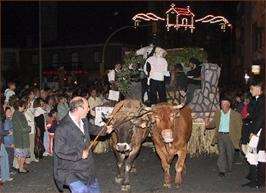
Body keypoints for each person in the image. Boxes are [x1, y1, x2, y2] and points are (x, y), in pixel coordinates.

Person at [54, 96, 114, 193]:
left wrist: (105, 130)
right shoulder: (62, 128)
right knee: (82, 190)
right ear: (79, 109)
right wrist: (80, 154)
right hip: (71, 170)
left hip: (87, 169)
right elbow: (59, 150)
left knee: (95, 190)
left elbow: (92, 129)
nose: (89, 109)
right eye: (87, 107)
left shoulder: (83, 120)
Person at [205, 95, 242, 177]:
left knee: (230, 153)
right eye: (222, 104)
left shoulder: (236, 115)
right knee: (221, 153)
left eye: (225, 104)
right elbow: (213, 124)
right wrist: (207, 125)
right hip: (220, 136)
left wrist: (238, 139)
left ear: (229, 104)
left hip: (230, 136)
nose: (223, 106)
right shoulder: (218, 113)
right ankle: (222, 170)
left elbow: (239, 129)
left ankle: (229, 167)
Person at [242, 79, 265, 188]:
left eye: (251, 89)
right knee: (258, 155)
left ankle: (256, 181)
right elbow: (252, 113)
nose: (250, 91)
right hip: (257, 131)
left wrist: (254, 132)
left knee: (253, 154)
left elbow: (260, 118)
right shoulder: (257, 99)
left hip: (259, 132)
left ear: (257, 88)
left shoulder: (262, 100)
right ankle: (257, 180)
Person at [12, 100, 31, 174]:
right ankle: (21, 168)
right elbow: (21, 128)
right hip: (21, 137)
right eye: (23, 106)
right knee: (22, 153)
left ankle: (21, 167)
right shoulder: (17, 115)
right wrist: (29, 128)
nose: (24, 107)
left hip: (21, 136)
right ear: (20, 106)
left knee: (22, 154)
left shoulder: (19, 114)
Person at [2, 107, 16, 173]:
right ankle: (7, 172)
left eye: (10, 111)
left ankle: (9, 171)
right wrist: (10, 143)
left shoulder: (9, 120)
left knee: (11, 157)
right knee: (9, 158)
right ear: (5, 113)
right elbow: (7, 134)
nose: (9, 113)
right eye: (8, 112)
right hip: (8, 143)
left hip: (10, 142)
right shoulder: (6, 121)